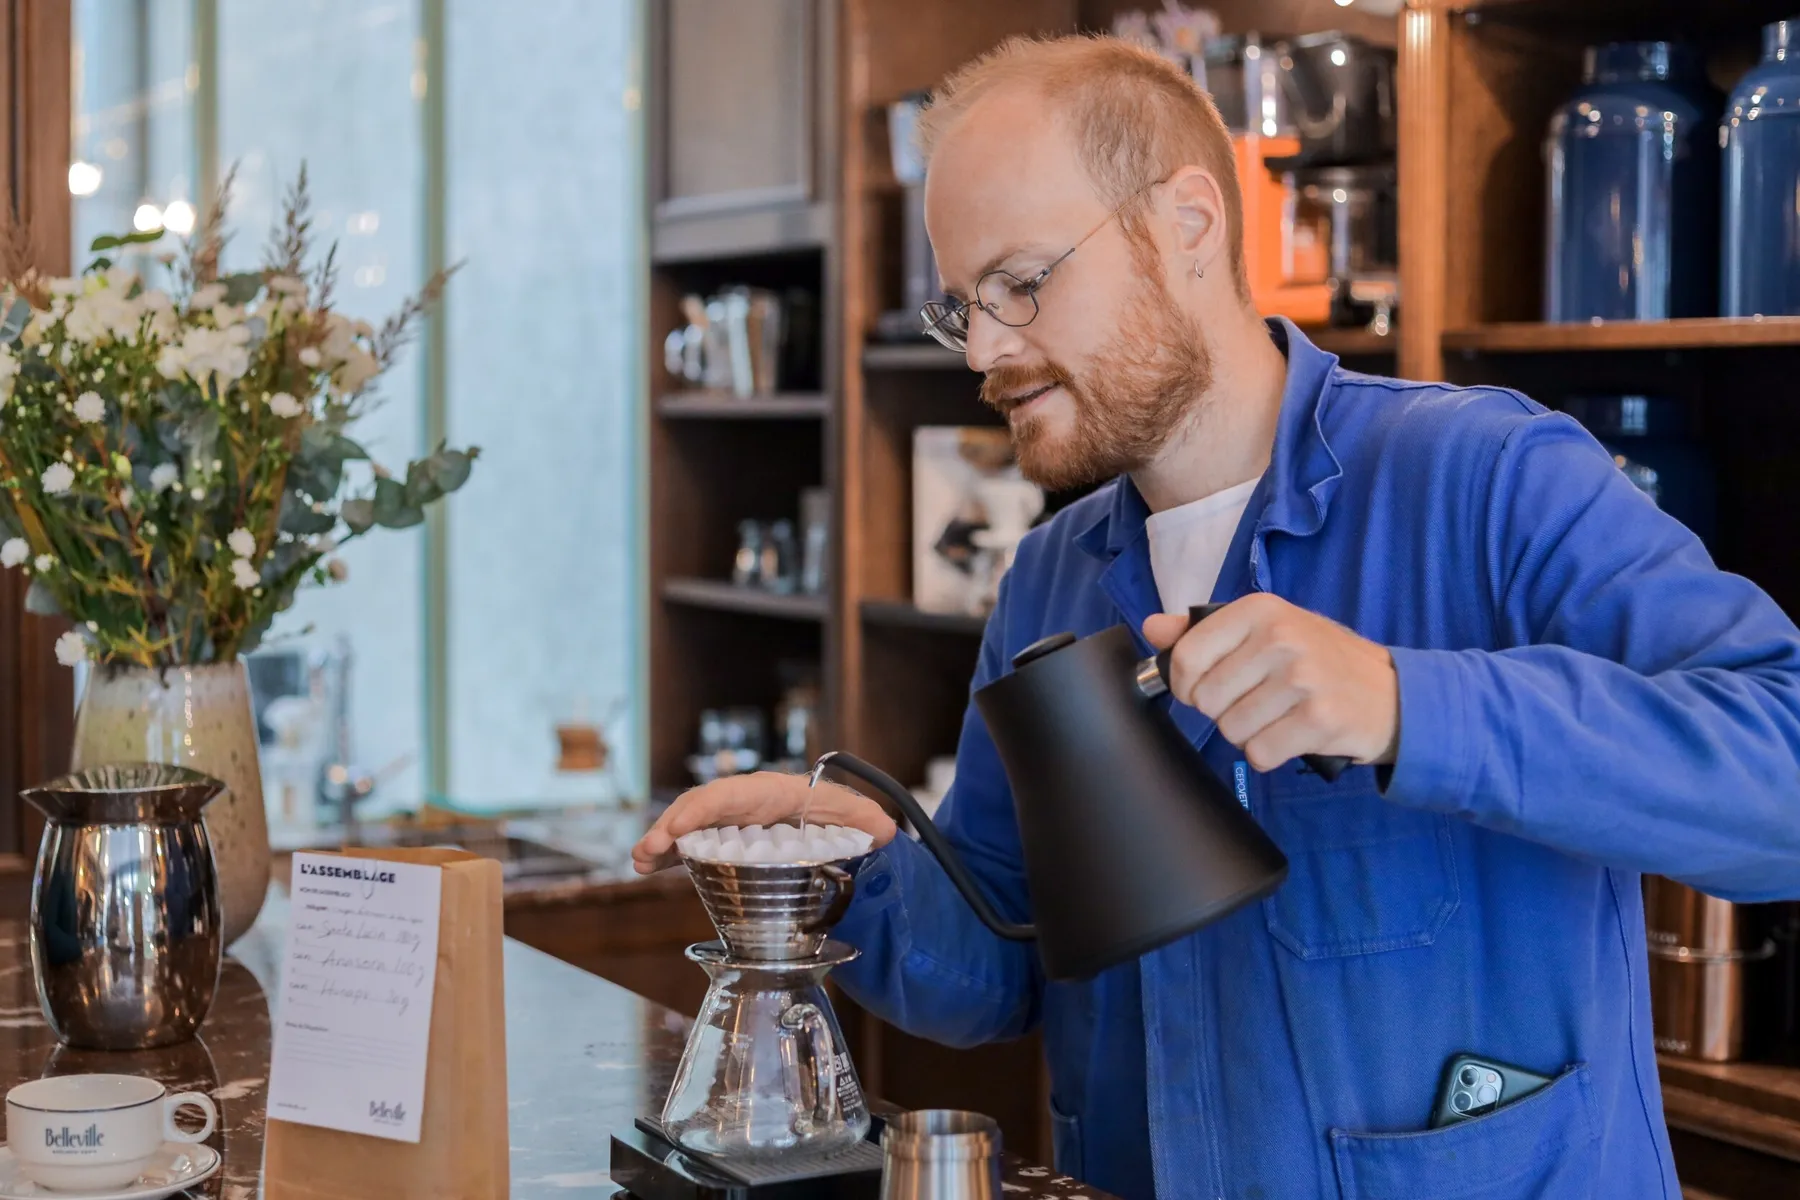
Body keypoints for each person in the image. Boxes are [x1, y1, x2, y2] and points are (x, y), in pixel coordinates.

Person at [634, 34, 1800, 1199]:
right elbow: (999, 963)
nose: (986, 349)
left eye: (1022, 285)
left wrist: (1405, 706)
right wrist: (847, 857)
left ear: (1189, 224)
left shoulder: (1489, 474)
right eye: (964, 309)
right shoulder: (1050, 578)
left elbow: (1780, 772)